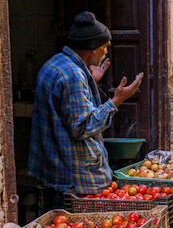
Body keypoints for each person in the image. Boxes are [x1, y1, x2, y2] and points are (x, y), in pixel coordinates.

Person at [28, 11, 144, 210]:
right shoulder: (73, 75)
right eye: (105, 48)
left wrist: (91, 83)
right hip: (73, 179)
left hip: (55, 173)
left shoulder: (55, 63)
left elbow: (66, 109)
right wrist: (116, 101)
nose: (106, 53)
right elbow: (83, 126)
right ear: (94, 49)